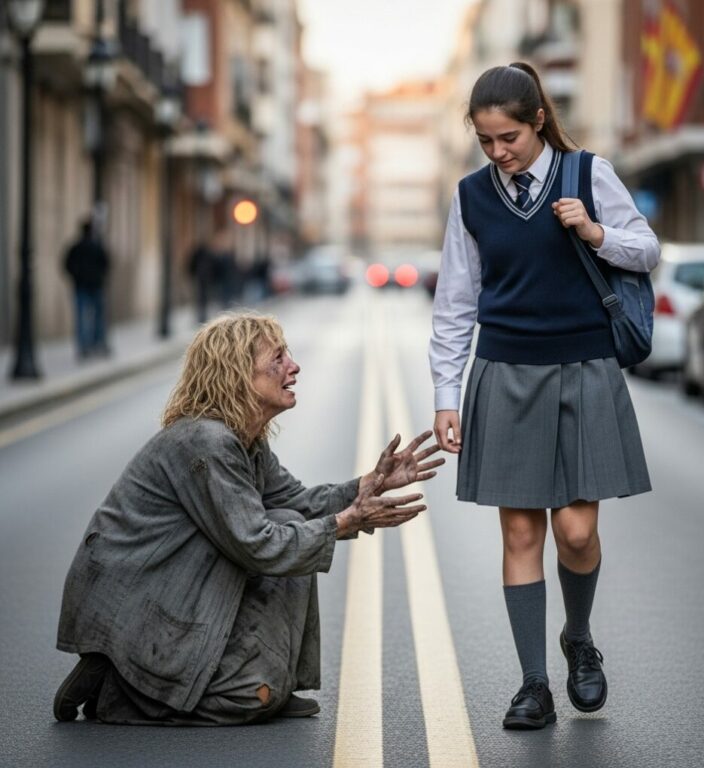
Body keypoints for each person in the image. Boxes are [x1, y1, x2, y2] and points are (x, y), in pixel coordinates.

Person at [54, 312, 444, 725]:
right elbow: (256, 543)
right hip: (136, 605)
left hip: (175, 586)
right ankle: (117, 685)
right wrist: (346, 522)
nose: (293, 367)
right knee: (253, 698)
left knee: (291, 521)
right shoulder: (206, 443)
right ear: (238, 374)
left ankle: (270, 684)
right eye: (277, 358)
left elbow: (298, 501)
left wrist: (370, 484)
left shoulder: (243, 440)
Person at [429, 63, 660, 731]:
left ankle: (578, 637)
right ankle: (534, 684)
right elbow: (455, 304)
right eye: (485, 142)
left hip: (585, 367)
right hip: (504, 371)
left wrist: (594, 232)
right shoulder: (471, 197)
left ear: (536, 121)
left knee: (578, 532)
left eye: (508, 138)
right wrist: (448, 394)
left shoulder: (588, 173)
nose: (498, 153)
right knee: (523, 530)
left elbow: (646, 249)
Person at [62, 218, 110, 358]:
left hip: (81, 286)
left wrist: (76, 277)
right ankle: (97, 343)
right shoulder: (97, 246)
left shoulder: (76, 247)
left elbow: (67, 264)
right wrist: (100, 277)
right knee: (98, 316)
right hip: (95, 286)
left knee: (81, 317)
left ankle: (84, 346)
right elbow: (106, 264)